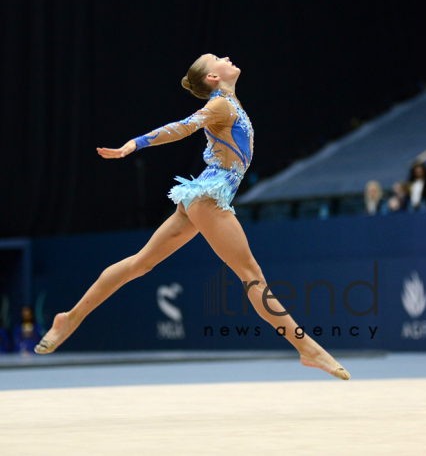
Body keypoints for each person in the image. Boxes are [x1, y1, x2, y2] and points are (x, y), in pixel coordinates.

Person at [35, 54, 350, 380]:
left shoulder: (230, 101)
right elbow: (182, 128)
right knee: (250, 273)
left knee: (140, 264)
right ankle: (306, 348)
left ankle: (69, 319)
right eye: (217, 59)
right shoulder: (220, 106)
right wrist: (135, 144)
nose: (226, 57)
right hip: (207, 196)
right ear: (212, 78)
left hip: (202, 193)